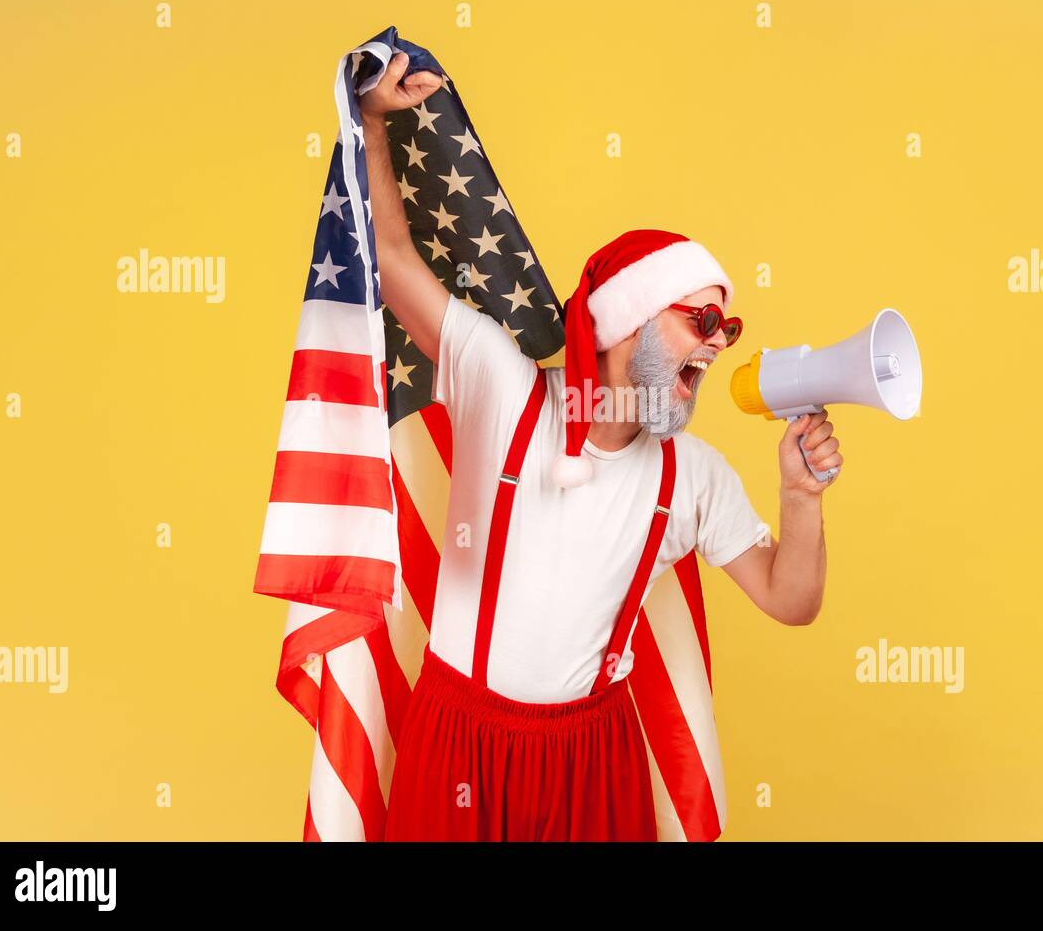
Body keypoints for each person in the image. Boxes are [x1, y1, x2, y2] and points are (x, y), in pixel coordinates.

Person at [360, 51, 842, 841]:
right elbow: (393, 261)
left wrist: (802, 497)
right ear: (626, 321)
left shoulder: (693, 478)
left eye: (728, 328)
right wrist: (376, 122)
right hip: (458, 747)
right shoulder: (502, 386)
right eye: (700, 320)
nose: (717, 344)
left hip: (593, 758)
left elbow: (793, 602)